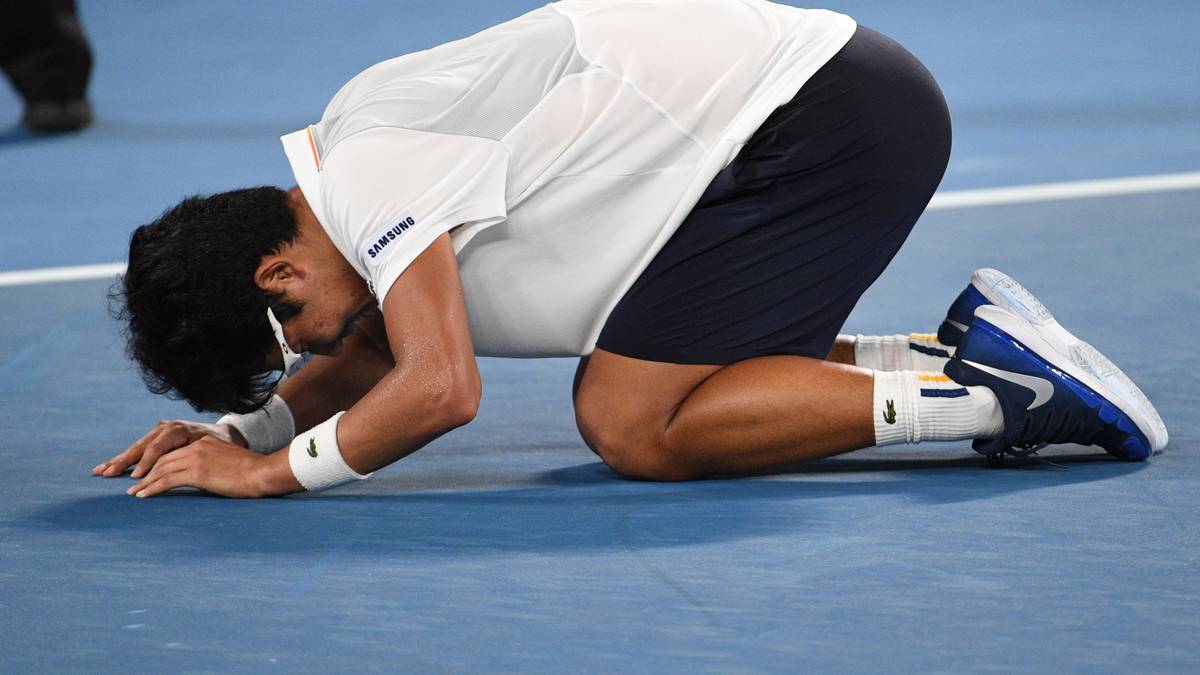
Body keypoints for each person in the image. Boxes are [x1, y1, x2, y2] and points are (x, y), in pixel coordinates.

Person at [95, 0, 1167, 499]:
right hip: (819, 114)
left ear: (277, 275)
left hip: (823, 122)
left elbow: (435, 386)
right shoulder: (354, 175)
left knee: (631, 420)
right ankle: (960, 356)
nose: (312, 352)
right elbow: (372, 350)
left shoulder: (371, 174)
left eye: (286, 341)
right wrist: (238, 427)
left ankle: (1011, 399)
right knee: (651, 387)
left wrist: (272, 472)